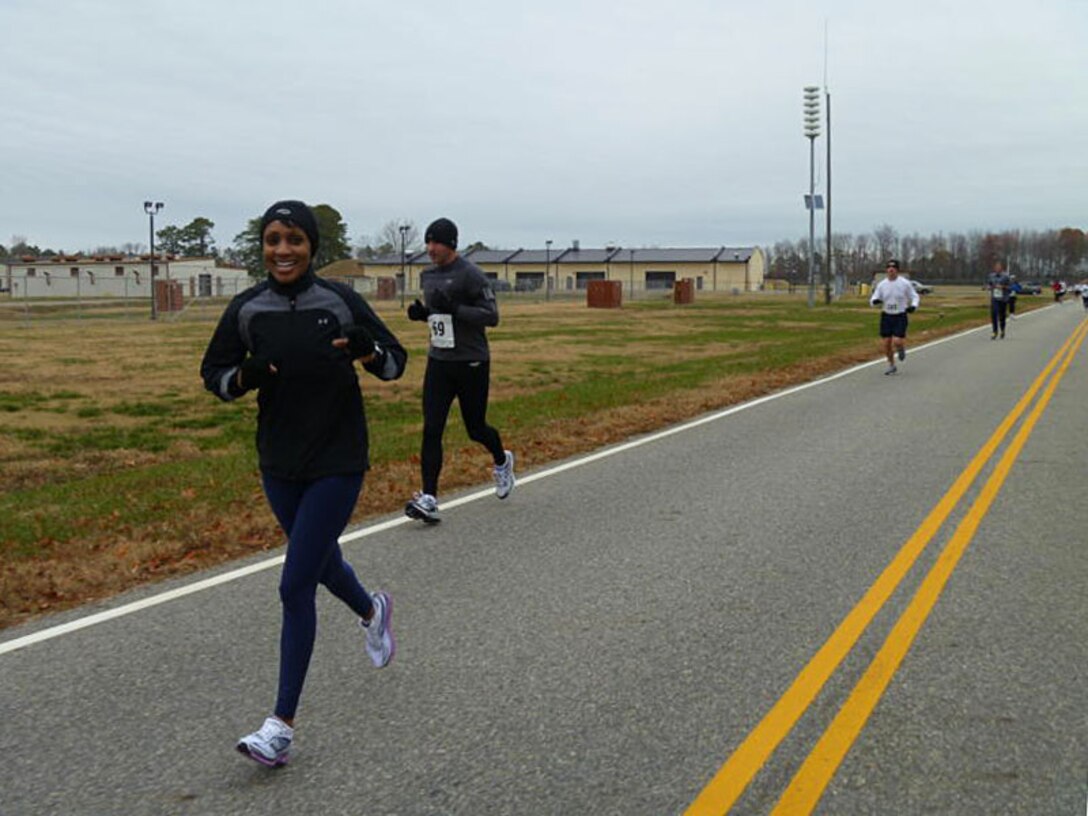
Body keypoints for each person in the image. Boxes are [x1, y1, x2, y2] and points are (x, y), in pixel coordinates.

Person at [200, 200, 408, 767]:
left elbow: (396, 362)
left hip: (339, 458)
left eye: (293, 239)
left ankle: (280, 726)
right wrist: (241, 377)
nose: (283, 250)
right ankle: (372, 611)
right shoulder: (248, 309)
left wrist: (367, 351)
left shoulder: (339, 300)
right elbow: (212, 375)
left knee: (295, 585)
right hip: (278, 461)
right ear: (262, 247)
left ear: (311, 246)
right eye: (272, 239)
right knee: (317, 562)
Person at [403, 217, 514, 523]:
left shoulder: (471, 275)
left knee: (475, 428)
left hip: (472, 361)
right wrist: (423, 314)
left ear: (450, 244)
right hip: (439, 361)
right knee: (431, 428)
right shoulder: (427, 276)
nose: (430, 249)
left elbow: (491, 317)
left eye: (436, 242)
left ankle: (502, 461)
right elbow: (439, 316)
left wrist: (456, 309)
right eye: (427, 242)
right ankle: (429, 497)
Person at [869, 259, 919, 375]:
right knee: (886, 343)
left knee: (897, 341)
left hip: (900, 315)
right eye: (889, 268)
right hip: (886, 316)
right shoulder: (882, 285)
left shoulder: (904, 283)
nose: (891, 270)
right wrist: (875, 302)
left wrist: (913, 306)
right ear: (887, 270)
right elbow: (873, 298)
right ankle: (891, 365)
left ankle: (900, 349)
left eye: (894, 268)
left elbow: (915, 296)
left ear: (897, 270)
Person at [987, 260, 1012, 339]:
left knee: (1002, 315)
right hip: (994, 298)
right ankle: (994, 332)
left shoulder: (1006, 276)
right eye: (996, 267)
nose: (997, 268)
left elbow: (1011, 287)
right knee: (994, 314)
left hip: (1003, 298)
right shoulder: (991, 276)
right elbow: (989, 284)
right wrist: (988, 287)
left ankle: (1002, 330)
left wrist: (1003, 287)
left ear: (1001, 268)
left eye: (999, 267)